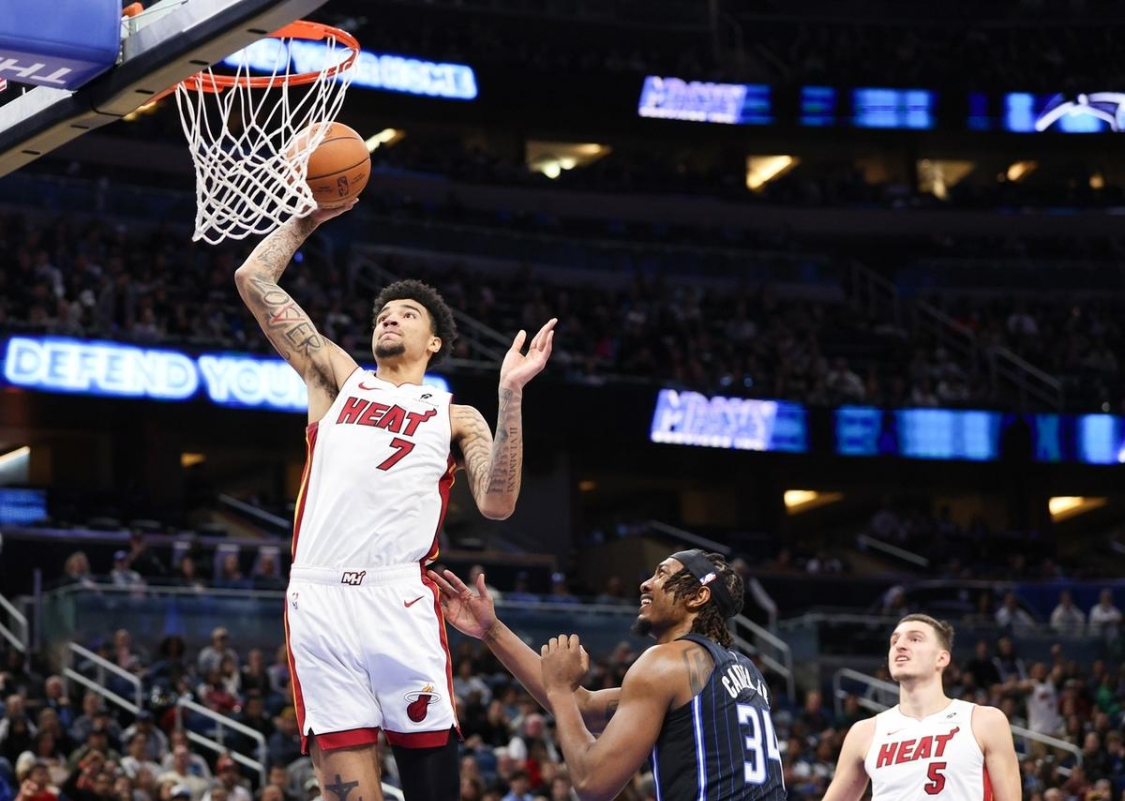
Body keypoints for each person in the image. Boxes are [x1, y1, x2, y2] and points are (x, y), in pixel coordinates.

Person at [234, 203, 554, 801]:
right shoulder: (338, 378)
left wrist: (510, 394)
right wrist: (307, 220)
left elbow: (497, 502)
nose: (390, 318)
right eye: (384, 313)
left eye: (407, 314)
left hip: (398, 597)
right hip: (318, 596)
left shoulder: (456, 415)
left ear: (434, 341)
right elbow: (253, 279)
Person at [429, 549, 786, 800]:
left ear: (697, 597)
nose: (645, 583)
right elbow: (584, 707)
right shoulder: (744, 671)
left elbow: (592, 783)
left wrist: (559, 690)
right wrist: (491, 631)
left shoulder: (665, 662)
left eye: (662, 574)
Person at [821, 614, 1020, 801]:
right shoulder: (864, 732)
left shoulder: (984, 721)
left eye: (915, 639)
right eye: (894, 641)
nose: (900, 645)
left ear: (942, 658)